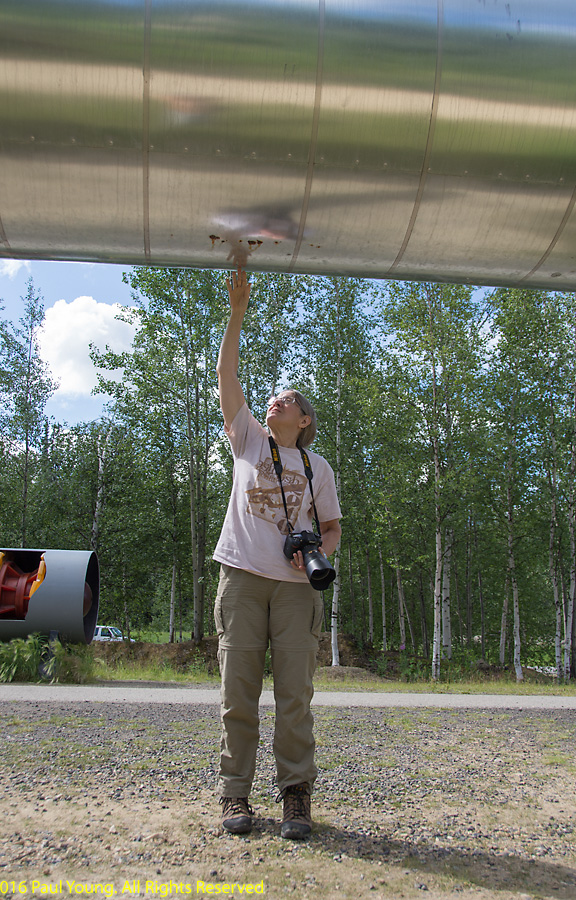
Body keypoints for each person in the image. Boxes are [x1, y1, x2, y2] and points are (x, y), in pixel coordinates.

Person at [213, 268, 342, 840]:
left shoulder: (318, 467)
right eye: (275, 397)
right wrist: (237, 312)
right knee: (237, 695)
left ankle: (295, 796)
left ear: (304, 420)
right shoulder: (246, 437)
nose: (277, 400)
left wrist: (316, 554)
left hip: (295, 593)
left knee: (294, 699)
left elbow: (332, 530)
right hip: (241, 580)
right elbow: (227, 375)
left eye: (289, 400)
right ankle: (235, 793)